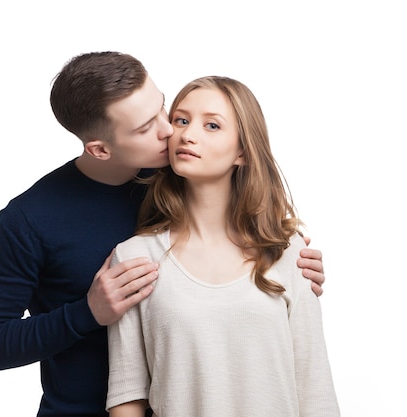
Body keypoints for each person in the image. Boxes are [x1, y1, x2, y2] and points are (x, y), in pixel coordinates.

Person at [0, 52, 327, 417]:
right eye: (144, 127)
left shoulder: (180, 171)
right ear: (100, 149)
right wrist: (87, 312)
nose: (171, 130)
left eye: (163, 108)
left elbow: (246, 214)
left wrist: (287, 260)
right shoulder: (31, 219)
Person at [106, 76, 340, 417]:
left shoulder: (288, 253)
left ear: (242, 151)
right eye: (181, 120)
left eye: (212, 125)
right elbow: (127, 397)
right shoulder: (134, 258)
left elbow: (315, 388)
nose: (187, 134)